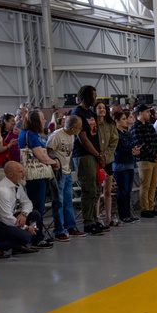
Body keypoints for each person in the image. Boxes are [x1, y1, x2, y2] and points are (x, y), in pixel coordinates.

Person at [0, 162, 50, 256]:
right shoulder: (1, 191)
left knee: (35, 214)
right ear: (10, 174)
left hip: (6, 220)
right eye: (20, 171)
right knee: (26, 237)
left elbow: (27, 202)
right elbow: (6, 219)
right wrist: (26, 228)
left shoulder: (17, 186)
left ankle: (22, 245)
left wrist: (24, 214)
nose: (23, 173)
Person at [17, 110, 58, 239]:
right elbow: (40, 156)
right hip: (35, 175)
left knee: (39, 206)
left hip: (41, 174)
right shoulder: (30, 135)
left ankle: (38, 233)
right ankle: (36, 235)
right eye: (42, 119)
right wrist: (54, 162)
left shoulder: (36, 134)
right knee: (36, 206)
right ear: (35, 121)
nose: (45, 121)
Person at [70, 86, 106, 235]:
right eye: (94, 95)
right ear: (86, 96)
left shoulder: (90, 112)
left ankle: (95, 218)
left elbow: (95, 134)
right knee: (89, 189)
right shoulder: (77, 112)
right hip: (85, 155)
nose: (96, 98)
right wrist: (97, 154)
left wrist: (100, 153)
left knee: (97, 189)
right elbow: (83, 138)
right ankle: (88, 222)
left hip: (95, 154)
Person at [46, 115, 81, 240]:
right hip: (58, 172)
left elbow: (68, 153)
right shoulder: (56, 136)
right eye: (78, 128)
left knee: (68, 201)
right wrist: (55, 161)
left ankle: (70, 226)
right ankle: (59, 229)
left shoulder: (72, 136)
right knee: (58, 201)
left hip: (67, 171)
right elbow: (48, 150)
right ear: (72, 128)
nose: (80, 130)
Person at [132, 105, 157, 218]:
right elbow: (141, 145)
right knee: (146, 185)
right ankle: (145, 208)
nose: (149, 114)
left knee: (153, 185)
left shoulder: (149, 126)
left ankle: (151, 206)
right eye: (147, 112)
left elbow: (156, 141)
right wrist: (154, 155)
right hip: (144, 160)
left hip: (155, 160)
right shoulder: (136, 127)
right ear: (140, 113)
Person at [111, 109, 140, 223]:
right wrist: (130, 151)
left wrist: (136, 150)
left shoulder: (127, 133)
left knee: (128, 191)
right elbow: (117, 150)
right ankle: (123, 215)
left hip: (130, 163)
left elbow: (133, 143)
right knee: (122, 191)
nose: (126, 121)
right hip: (120, 165)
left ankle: (128, 213)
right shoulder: (115, 134)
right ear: (117, 121)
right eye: (123, 119)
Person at [95, 102, 118, 226]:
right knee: (98, 191)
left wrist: (106, 155)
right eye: (99, 108)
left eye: (104, 108)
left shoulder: (110, 125)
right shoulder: (92, 125)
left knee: (108, 191)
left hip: (108, 160)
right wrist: (98, 156)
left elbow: (114, 141)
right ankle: (97, 218)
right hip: (96, 160)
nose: (102, 110)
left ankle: (108, 218)